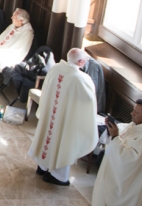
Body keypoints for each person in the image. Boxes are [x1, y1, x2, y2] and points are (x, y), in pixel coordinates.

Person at [28, 48, 99, 186]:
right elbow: (89, 100)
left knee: (48, 137)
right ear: (80, 62)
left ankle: (42, 167)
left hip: (51, 115)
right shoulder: (80, 78)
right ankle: (56, 176)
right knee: (64, 141)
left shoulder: (55, 69)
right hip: (66, 118)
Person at [92, 99, 142, 206]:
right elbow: (125, 130)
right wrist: (113, 127)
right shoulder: (138, 126)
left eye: (136, 112)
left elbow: (129, 159)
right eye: (133, 110)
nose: (131, 114)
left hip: (129, 185)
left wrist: (115, 137)